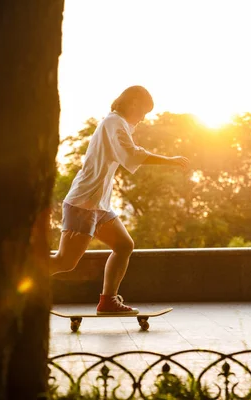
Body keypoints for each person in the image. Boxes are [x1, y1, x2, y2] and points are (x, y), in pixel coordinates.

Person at [50, 86, 189, 315]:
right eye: (144, 112)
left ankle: (108, 301)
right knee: (65, 262)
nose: (143, 119)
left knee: (124, 245)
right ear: (133, 103)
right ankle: (15, 282)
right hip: (83, 203)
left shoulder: (119, 125)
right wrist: (170, 160)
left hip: (100, 205)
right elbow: (132, 155)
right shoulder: (114, 123)